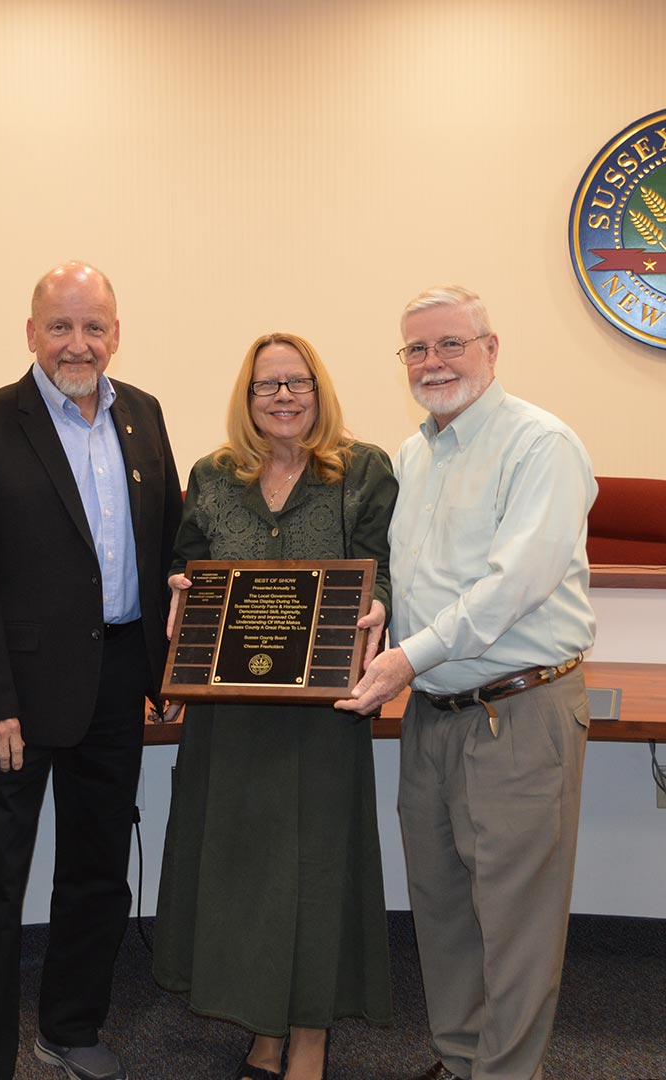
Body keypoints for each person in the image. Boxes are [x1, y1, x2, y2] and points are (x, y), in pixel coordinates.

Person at [335, 286, 597, 1080]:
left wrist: (407, 658)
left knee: (515, 922)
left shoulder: (539, 444)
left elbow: (512, 584)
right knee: (442, 907)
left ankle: (506, 1074)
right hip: (433, 715)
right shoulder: (414, 455)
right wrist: (378, 617)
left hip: (517, 712)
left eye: (451, 343)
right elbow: (418, 580)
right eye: (416, 349)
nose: (433, 362)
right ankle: (456, 1059)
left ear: (492, 347)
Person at [0, 261, 182, 1080]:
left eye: (95, 326)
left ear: (116, 332)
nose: (79, 343)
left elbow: (166, 549)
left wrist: (168, 672)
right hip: (19, 696)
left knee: (97, 870)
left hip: (117, 680)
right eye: (62, 326)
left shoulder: (141, 415)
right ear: (32, 332)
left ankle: (71, 1027)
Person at [153, 332, 398, 1080]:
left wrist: (380, 606)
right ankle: (261, 1026)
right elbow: (184, 563)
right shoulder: (213, 474)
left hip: (322, 713)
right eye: (268, 385)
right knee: (238, 872)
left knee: (316, 873)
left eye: (297, 383)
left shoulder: (361, 470)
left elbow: (384, 565)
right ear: (248, 396)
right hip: (231, 716)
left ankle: (310, 1034)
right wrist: (179, 593)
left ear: (319, 393)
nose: (283, 396)